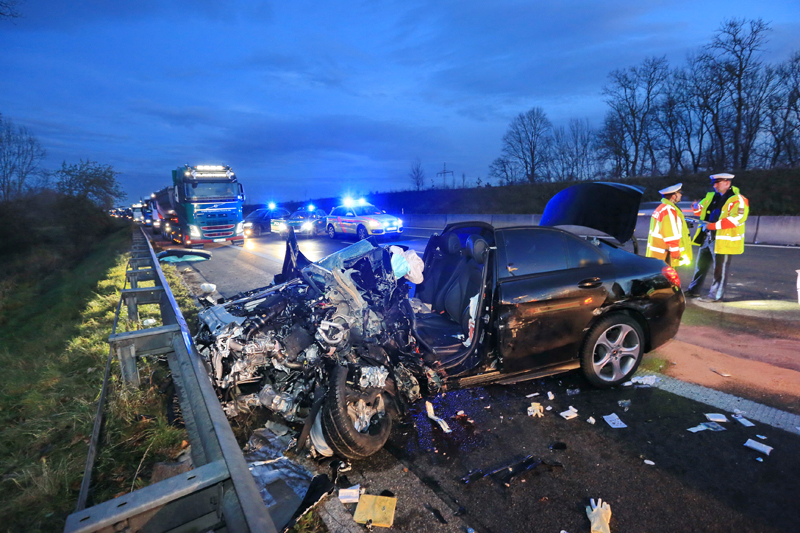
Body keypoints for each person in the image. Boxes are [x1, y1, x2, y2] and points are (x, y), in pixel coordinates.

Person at [686, 173, 749, 301]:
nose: (714, 186)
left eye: (717, 183)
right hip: (707, 236)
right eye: (714, 183)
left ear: (727, 183)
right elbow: (699, 212)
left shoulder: (738, 199)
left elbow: (737, 218)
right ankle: (694, 291)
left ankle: (716, 296)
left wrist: (713, 226)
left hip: (722, 239)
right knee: (700, 266)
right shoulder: (711, 196)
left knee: (720, 270)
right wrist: (695, 207)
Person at [646, 183, 692, 267]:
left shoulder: (662, 208)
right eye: (679, 193)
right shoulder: (668, 210)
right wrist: (675, 252)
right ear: (673, 196)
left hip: (660, 253)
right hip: (666, 255)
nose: (681, 195)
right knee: (669, 275)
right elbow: (670, 234)